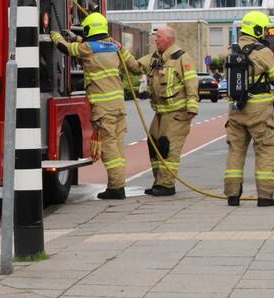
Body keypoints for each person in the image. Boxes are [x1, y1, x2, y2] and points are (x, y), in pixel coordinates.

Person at [51, 12, 129, 200]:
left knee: (109, 149)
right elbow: (91, 46)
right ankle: (118, 185)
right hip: (118, 106)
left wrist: (56, 36)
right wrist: (75, 37)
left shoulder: (88, 48)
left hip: (104, 108)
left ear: (89, 29)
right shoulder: (112, 47)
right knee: (117, 148)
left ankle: (116, 188)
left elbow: (67, 49)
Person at [119, 26, 199, 196]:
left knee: (168, 147)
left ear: (169, 39)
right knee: (154, 144)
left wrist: (192, 106)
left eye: (159, 37)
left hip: (177, 113)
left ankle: (166, 185)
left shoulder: (182, 58)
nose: (155, 40)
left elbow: (191, 82)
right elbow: (135, 67)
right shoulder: (155, 58)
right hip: (161, 112)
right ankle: (159, 182)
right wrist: (122, 51)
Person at [224, 11, 274, 207]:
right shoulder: (263, 51)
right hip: (259, 110)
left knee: (236, 151)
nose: (267, 33)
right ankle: (265, 196)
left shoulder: (231, 51)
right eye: (265, 30)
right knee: (265, 150)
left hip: (236, 109)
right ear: (257, 29)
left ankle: (232, 195)